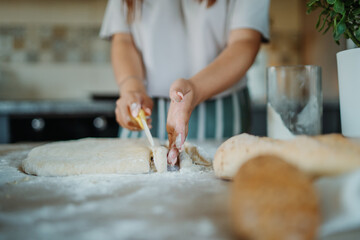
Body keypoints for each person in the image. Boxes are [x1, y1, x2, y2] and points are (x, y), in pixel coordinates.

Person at [100, 0, 269, 166]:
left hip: (220, 110)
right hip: (145, 109)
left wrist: (195, 88)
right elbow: (123, 39)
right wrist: (131, 87)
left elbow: (245, 41)